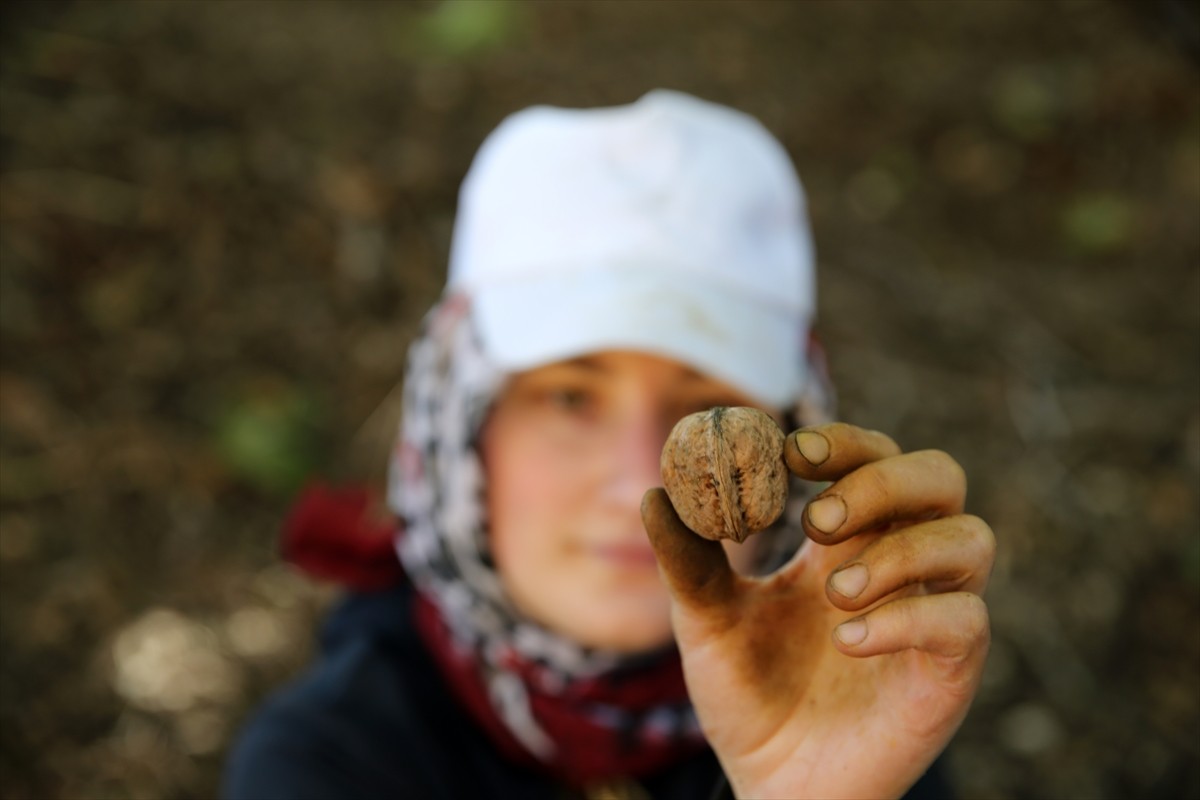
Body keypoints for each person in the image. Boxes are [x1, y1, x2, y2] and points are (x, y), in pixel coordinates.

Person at [223, 89, 994, 800]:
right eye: (569, 397)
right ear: (457, 430)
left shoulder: (859, 712)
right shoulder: (329, 764)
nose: (636, 484)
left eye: (711, 403)